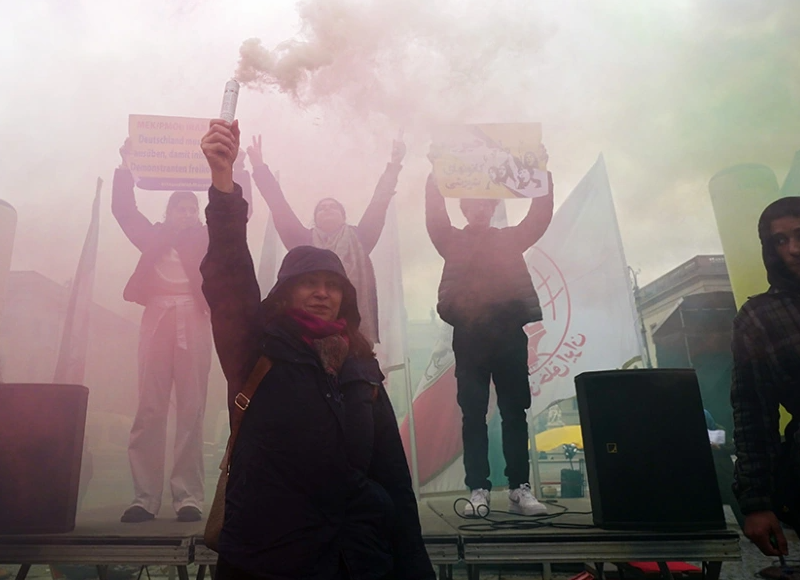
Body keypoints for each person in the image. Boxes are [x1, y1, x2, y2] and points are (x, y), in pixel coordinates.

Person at [200, 119, 434, 580]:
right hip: (271, 558)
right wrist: (226, 183)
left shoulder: (362, 368)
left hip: (356, 558)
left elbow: (393, 478)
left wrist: (415, 569)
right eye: (309, 282)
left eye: (332, 285)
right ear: (285, 293)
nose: (323, 293)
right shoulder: (256, 352)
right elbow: (229, 274)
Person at [425, 171, 554, 517]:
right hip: (469, 335)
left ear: (492, 208)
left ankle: (519, 489)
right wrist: (436, 174)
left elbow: (539, 218)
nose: (480, 210)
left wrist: (542, 177)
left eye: (486, 205)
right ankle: (478, 489)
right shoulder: (451, 240)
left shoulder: (509, 240)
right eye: (474, 206)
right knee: (473, 414)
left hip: (509, 332)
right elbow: (434, 215)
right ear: (466, 210)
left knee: (515, 412)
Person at [112, 138, 214, 524]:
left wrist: (238, 173)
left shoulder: (208, 239)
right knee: (150, 405)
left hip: (195, 316)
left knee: (192, 406)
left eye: (192, 208)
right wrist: (125, 168)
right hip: (156, 315)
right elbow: (124, 211)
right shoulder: (152, 235)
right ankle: (144, 498)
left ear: (198, 214)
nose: (186, 214)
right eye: (180, 208)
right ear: (169, 212)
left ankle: (187, 496)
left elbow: (239, 217)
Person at [731, 197, 800, 576]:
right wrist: (756, 503)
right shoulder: (759, 318)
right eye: (779, 241)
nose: (794, 249)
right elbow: (752, 413)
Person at [246, 134, 406, 344]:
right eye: (322, 208)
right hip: (304, 332)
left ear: (343, 216)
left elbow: (379, 201)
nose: (327, 210)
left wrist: (394, 165)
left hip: (352, 331)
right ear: (315, 218)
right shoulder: (302, 242)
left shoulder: (361, 238)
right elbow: (278, 204)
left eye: (333, 207)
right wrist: (259, 167)